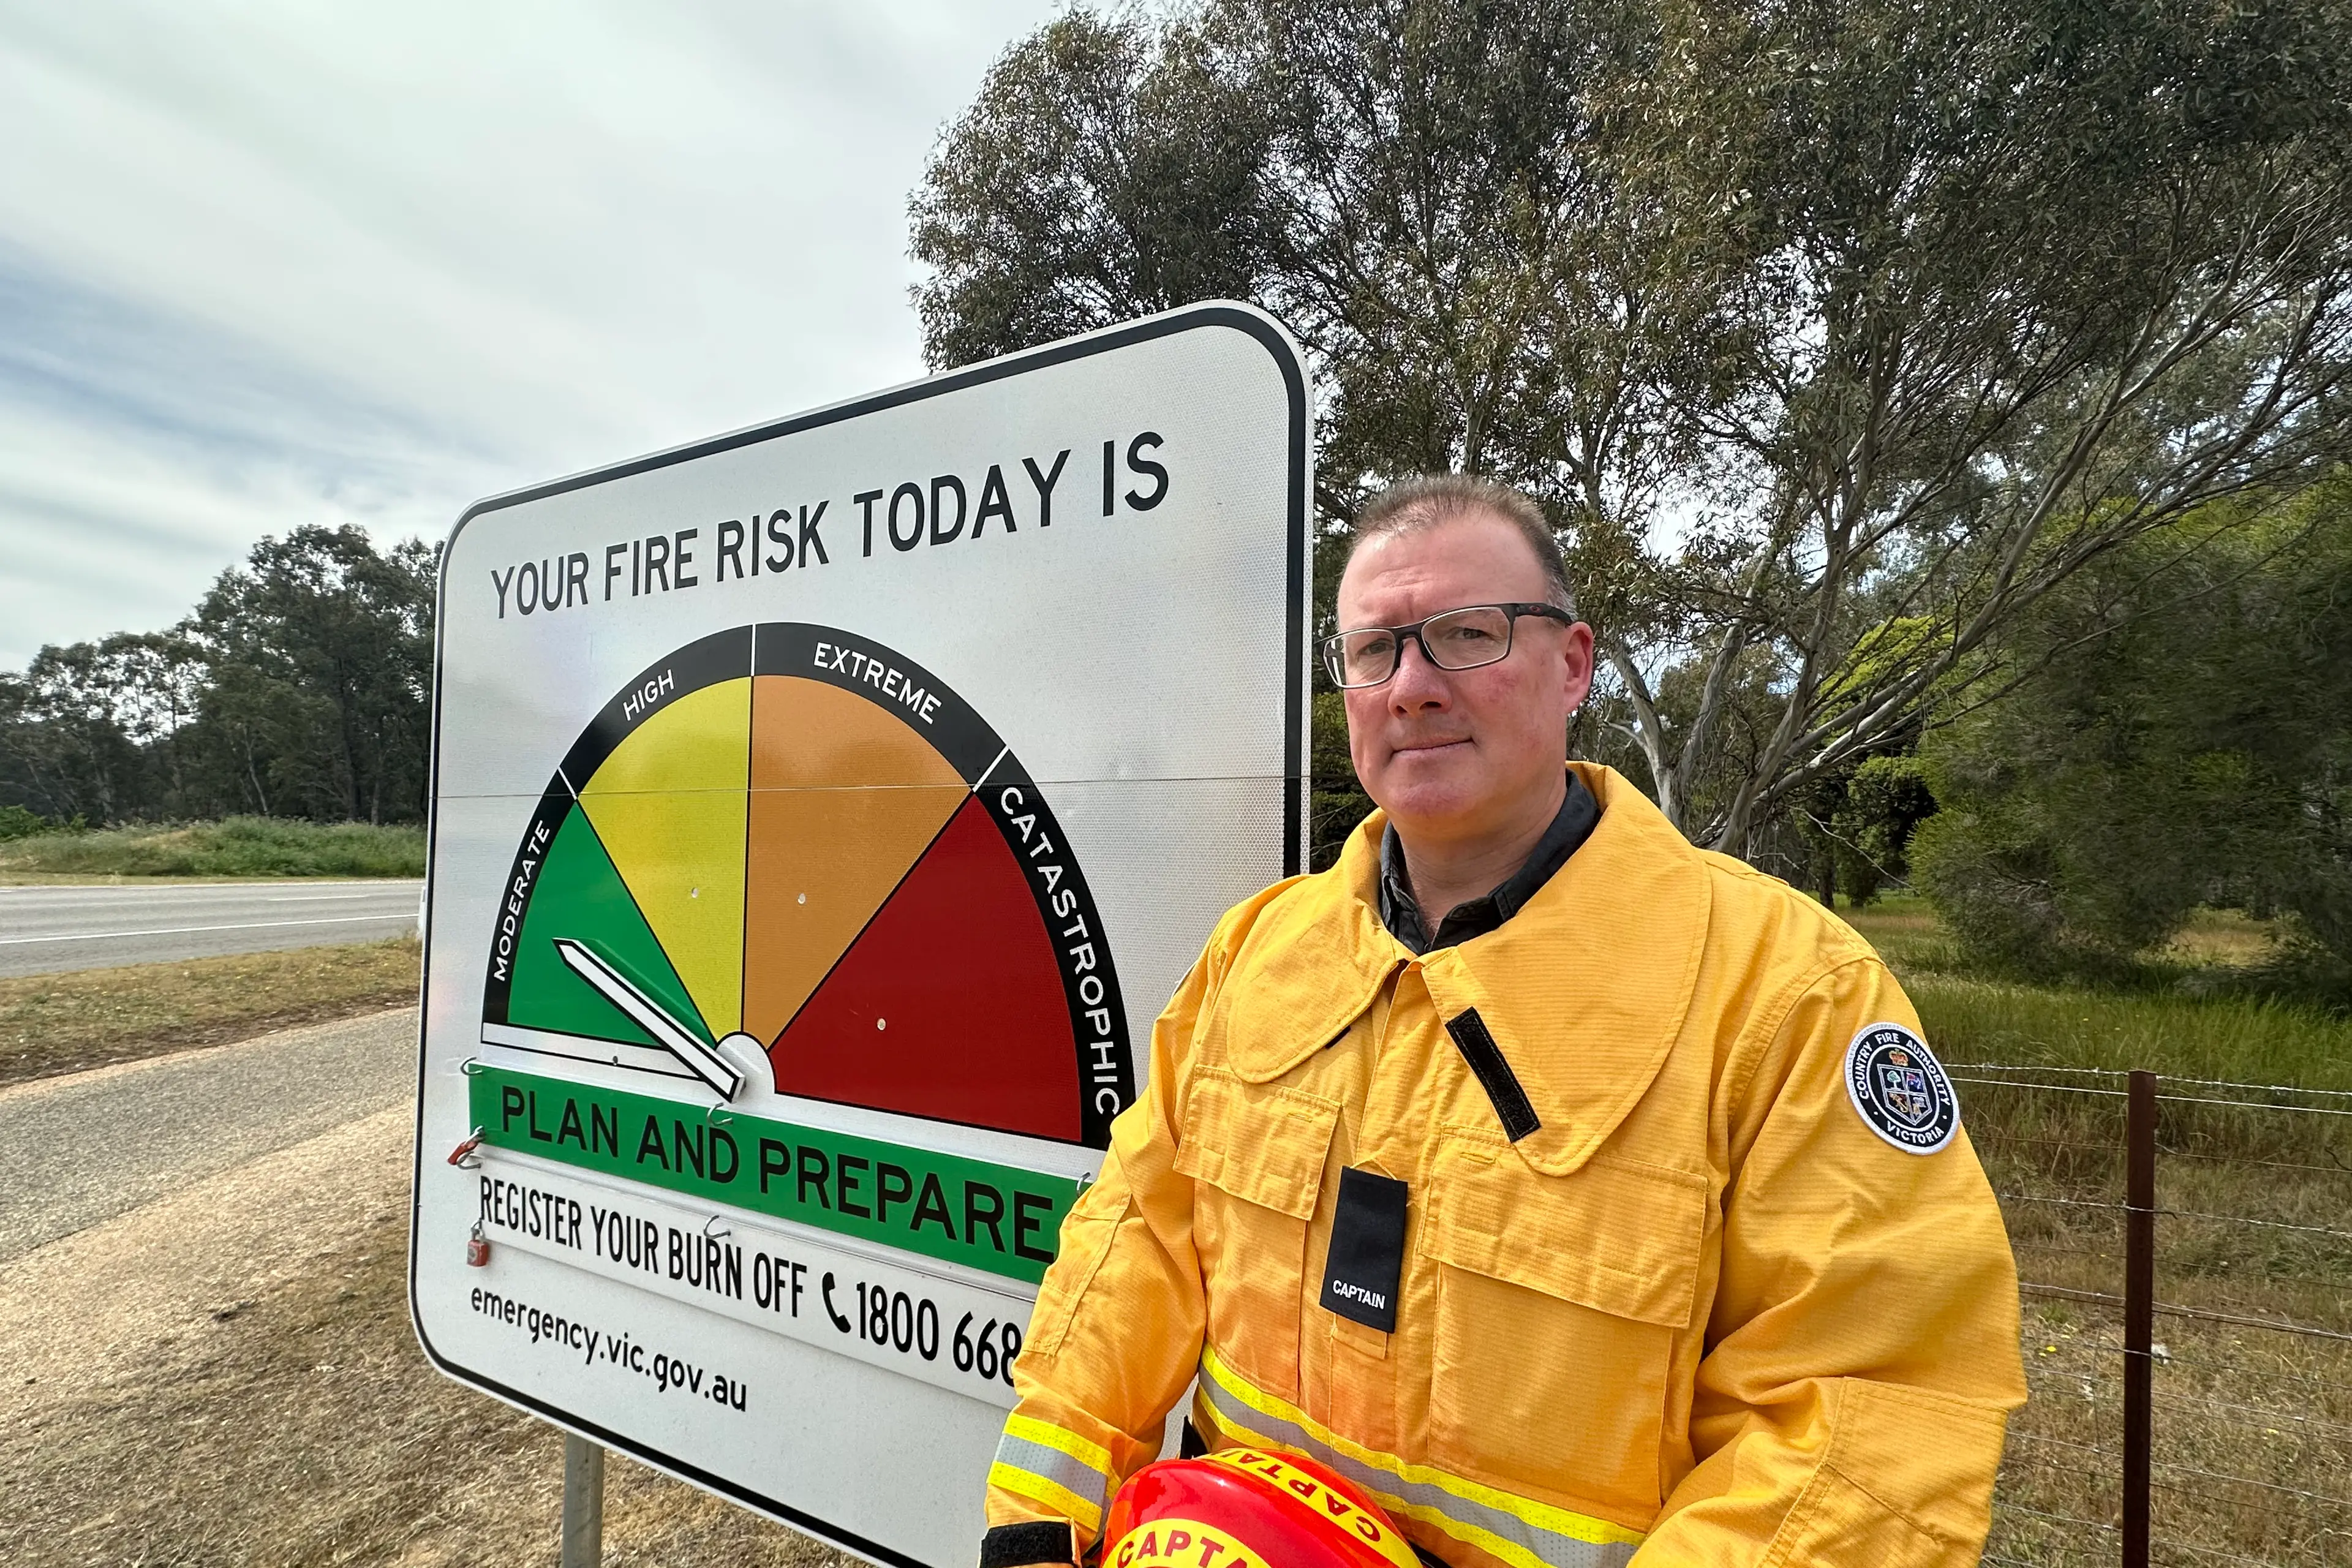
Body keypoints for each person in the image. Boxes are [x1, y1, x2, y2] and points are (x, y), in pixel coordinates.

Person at [981, 475, 2026, 1568]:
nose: (1413, 687)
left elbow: (1867, 1409)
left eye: (1466, 637)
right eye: (1375, 650)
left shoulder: (1786, 996)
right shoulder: (1257, 949)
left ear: (1572, 664)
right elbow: (1138, 1232)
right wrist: (1041, 1522)